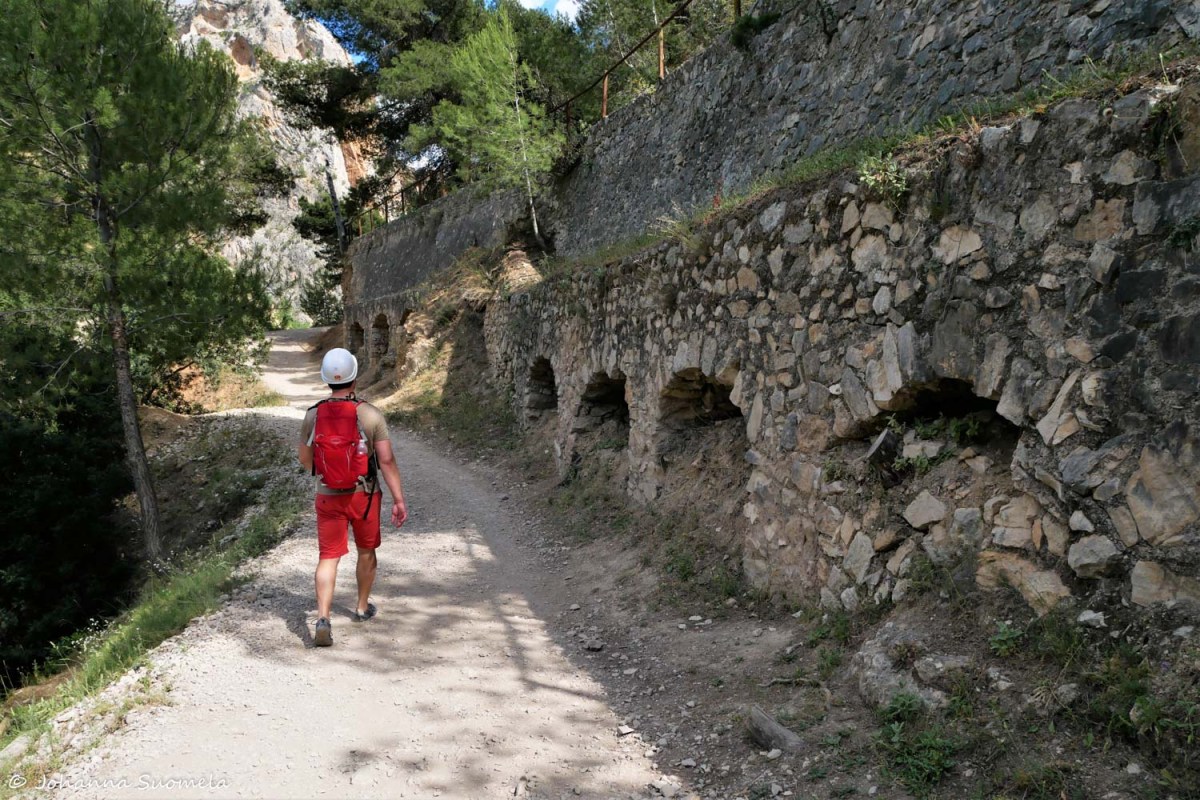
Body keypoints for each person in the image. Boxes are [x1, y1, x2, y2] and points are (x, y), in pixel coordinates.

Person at [298, 348, 408, 647]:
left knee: (328, 557)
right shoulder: (370, 414)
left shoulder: (314, 414)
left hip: (328, 497)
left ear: (326, 380)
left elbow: (304, 458)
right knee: (366, 550)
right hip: (365, 496)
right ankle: (361, 608)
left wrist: (325, 475)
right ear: (355, 379)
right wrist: (398, 499)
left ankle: (323, 617)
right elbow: (386, 461)